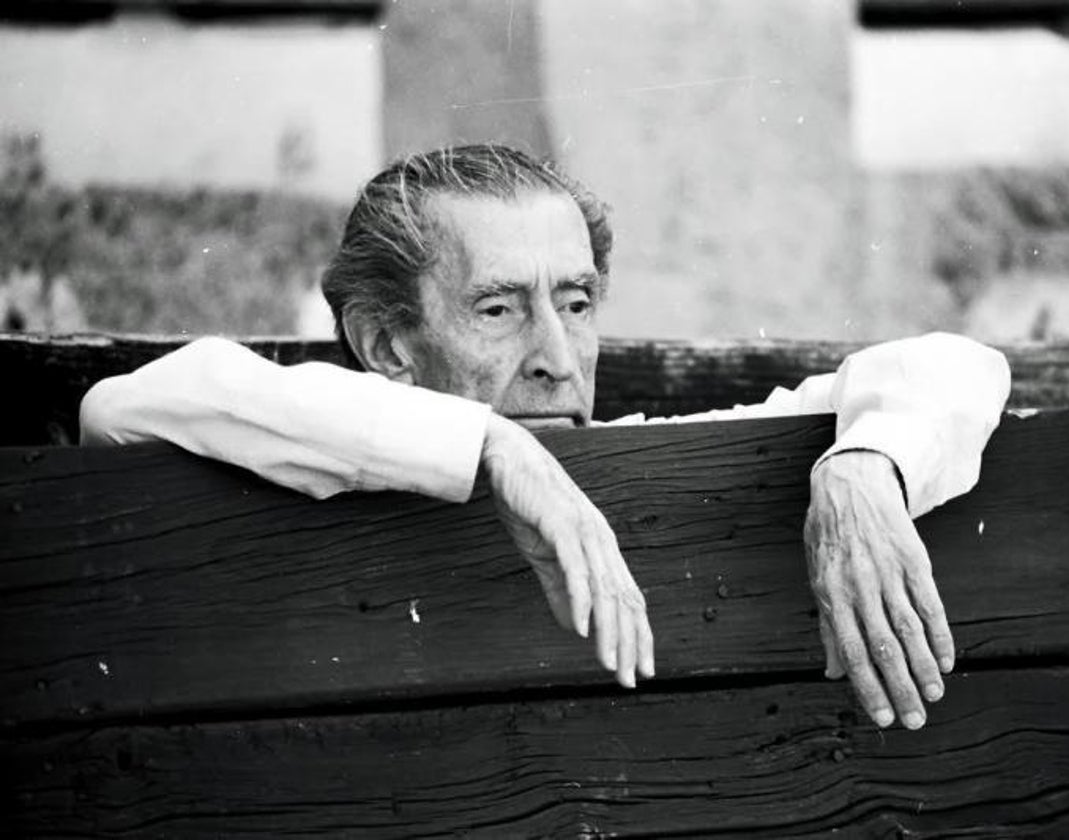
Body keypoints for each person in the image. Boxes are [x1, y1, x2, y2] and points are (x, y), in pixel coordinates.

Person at [79, 145, 1010, 731]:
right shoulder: (315, 448)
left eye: (576, 302)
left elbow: (960, 364)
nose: (557, 359)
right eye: (497, 308)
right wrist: (490, 445)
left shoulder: (668, 456)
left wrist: (862, 467)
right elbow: (120, 410)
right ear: (385, 346)